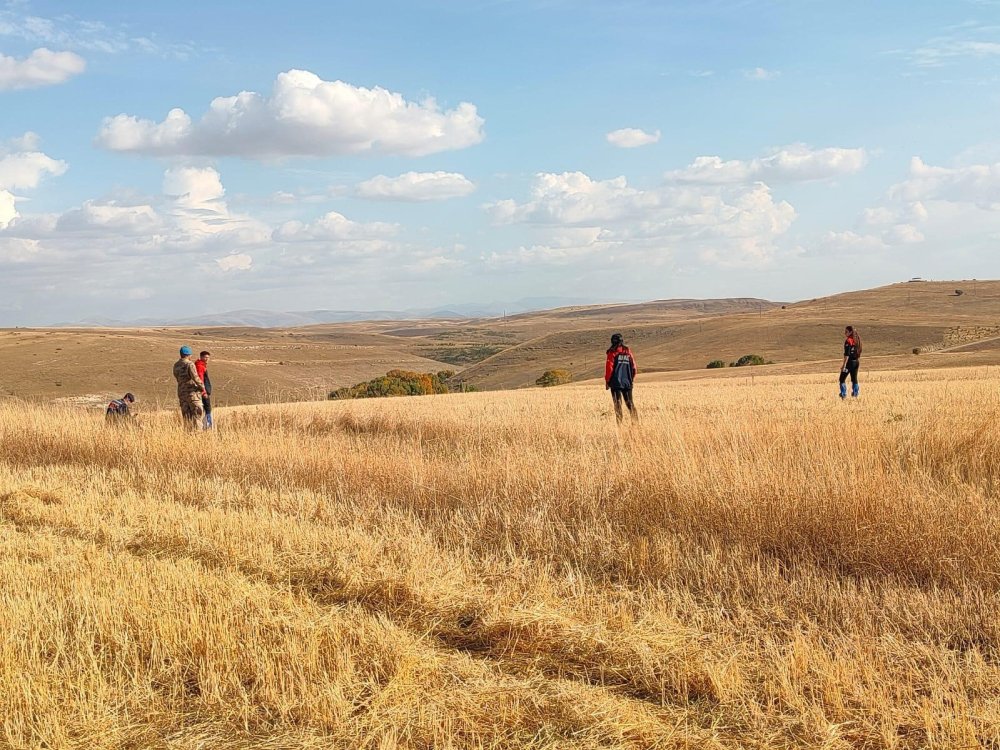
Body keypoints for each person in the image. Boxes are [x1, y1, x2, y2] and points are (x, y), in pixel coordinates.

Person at [605, 332, 638, 423]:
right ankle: (636, 424)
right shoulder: (628, 351)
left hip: (615, 383)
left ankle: (620, 426)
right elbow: (634, 368)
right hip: (627, 382)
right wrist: (631, 379)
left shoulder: (612, 352)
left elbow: (609, 368)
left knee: (618, 405)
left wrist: (607, 381)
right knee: (630, 404)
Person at [173, 345, 205, 429]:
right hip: (192, 394)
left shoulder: (176, 365)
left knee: (187, 417)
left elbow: (177, 377)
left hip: (182, 393)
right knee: (197, 415)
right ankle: (198, 435)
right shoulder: (190, 364)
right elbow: (195, 378)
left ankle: (188, 435)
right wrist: (202, 387)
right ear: (189, 355)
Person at [840, 325, 862, 399]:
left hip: (849, 363)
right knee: (854, 379)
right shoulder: (857, 340)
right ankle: (855, 394)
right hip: (856, 362)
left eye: (846, 332)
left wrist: (844, 365)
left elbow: (847, 354)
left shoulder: (848, 341)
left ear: (850, 332)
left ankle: (843, 394)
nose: (845, 333)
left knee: (842, 379)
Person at [195, 350, 213, 429]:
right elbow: (200, 379)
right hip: (203, 392)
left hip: (202, 391)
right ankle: (207, 426)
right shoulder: (200, 366)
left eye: (208, 357)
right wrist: (204, 392)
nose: (207, 359)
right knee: (207, 409)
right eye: (205, 357)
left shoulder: (201, 365)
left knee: (205, 409)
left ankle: (206, 425)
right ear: (201, 357)